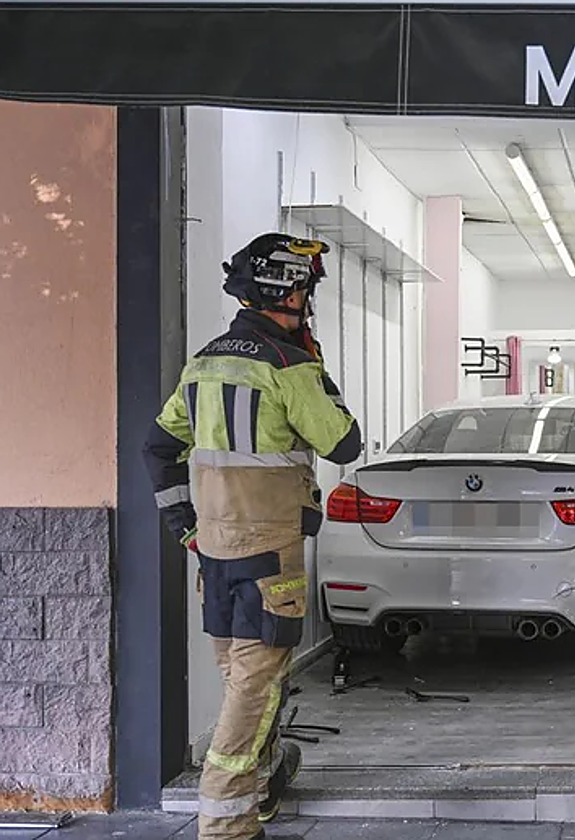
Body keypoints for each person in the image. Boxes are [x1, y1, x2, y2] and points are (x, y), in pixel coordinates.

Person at [144, 233, 362, 840]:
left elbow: (159, 447)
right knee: (257, 682)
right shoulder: (290, 366)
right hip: (270, 551)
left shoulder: (206, 360)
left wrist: (183, 526)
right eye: (304, 290)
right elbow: (344, 441)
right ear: (283, 290)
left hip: (212, 551)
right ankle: (225, 818)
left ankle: (261, 784)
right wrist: (316, 369)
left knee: (242, 676)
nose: (307, 301)